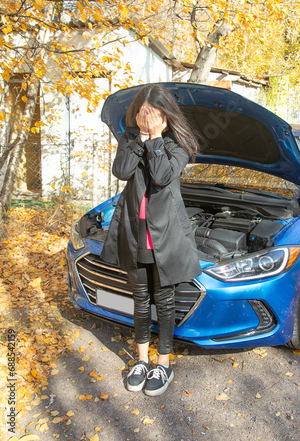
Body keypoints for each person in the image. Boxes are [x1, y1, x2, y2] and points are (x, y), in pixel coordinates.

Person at [101, 84, 202, 396]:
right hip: (134, 234)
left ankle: (164, 364)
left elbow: (161, 176)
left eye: (153, 114)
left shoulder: (177, 146)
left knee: (165, 301)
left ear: (164, 116)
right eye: (143, 113)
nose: (147, 119)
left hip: (165, 237)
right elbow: (121, 171)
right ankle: (142, 361)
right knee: (140, 299)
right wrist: (140, 140)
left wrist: (155, 140)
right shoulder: (131, 140)